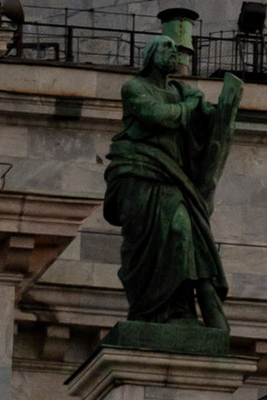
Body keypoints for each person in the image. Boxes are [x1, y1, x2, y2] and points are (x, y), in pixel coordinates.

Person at [101, 18, 244, 334]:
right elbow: (158, 116)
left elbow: (206, 125)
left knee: (183, 231)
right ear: (151, 55)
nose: (174, 54)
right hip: (139, 173)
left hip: (173, 178)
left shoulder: (182, 90)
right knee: (148, 244)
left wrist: (220, 112)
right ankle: (148, 308)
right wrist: (190, 108)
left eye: (175, 49)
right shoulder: (135, 88)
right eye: (166, 48)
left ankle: (180, 310)